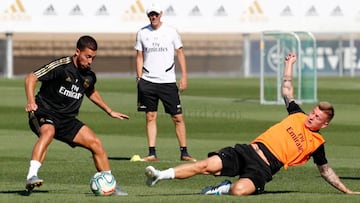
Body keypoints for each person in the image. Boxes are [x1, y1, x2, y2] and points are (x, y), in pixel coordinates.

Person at [144, 53, 360, 196]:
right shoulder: (297, 114)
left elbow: (325, 171)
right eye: (313, 112)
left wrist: (346, 190)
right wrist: (288, 65)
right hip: (247, 151)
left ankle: (222, 189)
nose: (311, 117)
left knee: (239, 191)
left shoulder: (317, 144)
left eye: (317, 117)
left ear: (324, 124)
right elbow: (287, 90)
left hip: (263, 169)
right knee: (205, 166)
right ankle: (159, 175)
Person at [24, 35, 129, 195]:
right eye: (87, 56)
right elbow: (31, 78)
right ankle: (32, 176)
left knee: (96, 143)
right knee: (48, 132)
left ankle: (109, 184)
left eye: (93, 58)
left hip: (67, 120)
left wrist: (109, 110)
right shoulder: (61, 66)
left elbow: (91, 92)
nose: (90, 61)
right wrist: (31, 102)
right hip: (44, 111)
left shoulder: (89, 76)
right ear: (77, 52)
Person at [134, 4, 196, 162]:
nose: (153, 17)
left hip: (167, 81)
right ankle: (152, 153)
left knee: (178, 117)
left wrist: (184, 76)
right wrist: (139, 78)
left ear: (161, 14)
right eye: (150, 15)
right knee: (150, 116)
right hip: (148, 81)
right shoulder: (142, 33)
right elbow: (139, 56)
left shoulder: (171, 31)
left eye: (155, 14)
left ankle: (184, 152)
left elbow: (180, 53)